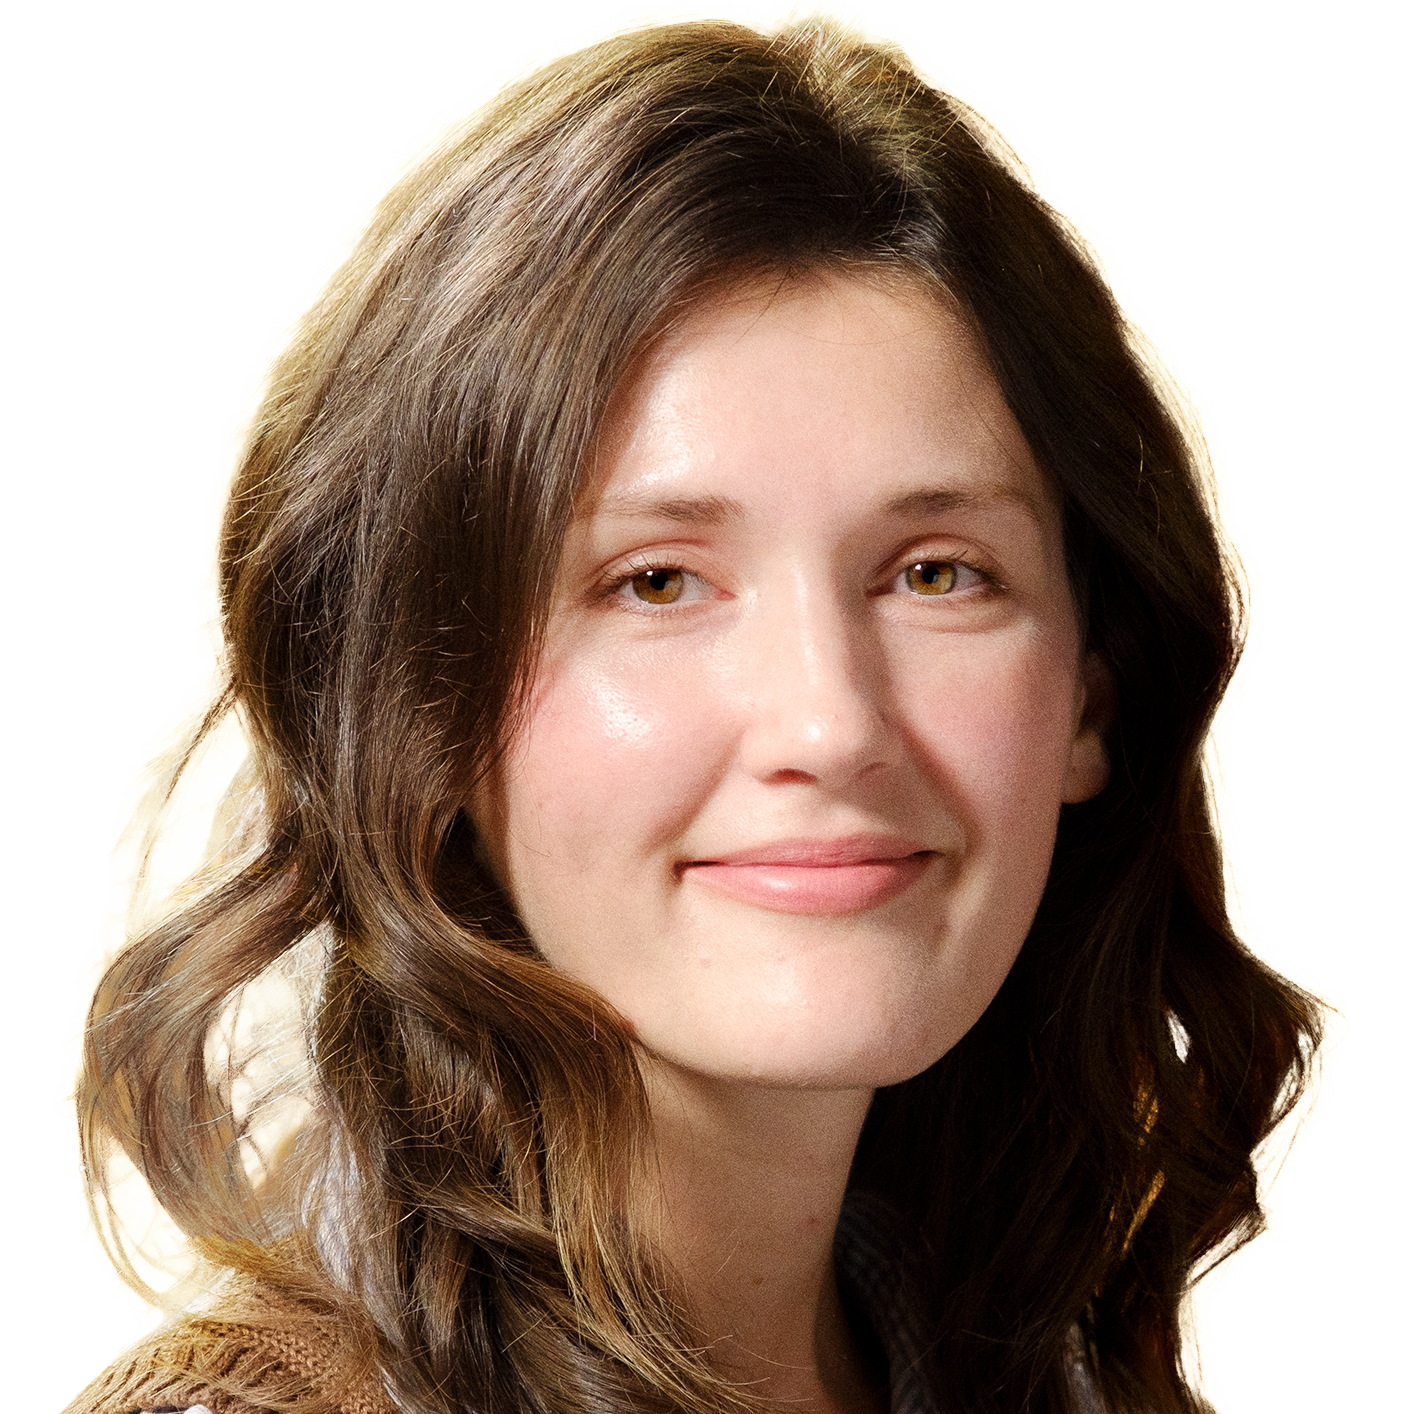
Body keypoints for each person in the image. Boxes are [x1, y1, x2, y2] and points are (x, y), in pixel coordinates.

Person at [68, 18, 1323, 1414]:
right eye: (655, 581)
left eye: (934, 573)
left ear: (1092, 692)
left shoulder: (1059, 1376)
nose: (831, 725)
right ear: (419, 705)